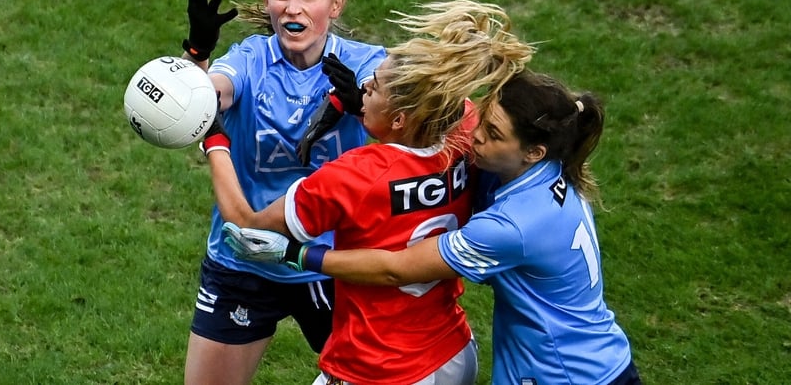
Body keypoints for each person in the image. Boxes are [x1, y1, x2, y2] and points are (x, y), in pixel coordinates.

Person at [234, 70, 643, 384]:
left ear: (532, 152)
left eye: (494, 135)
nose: (474, 138)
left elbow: (399, 268)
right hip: (598, 360)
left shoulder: (513, 225)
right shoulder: (556, 166)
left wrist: (299, 254)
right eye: (483, 120)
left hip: (561, 374)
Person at [201, 0, 535, 384]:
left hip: (378, 366)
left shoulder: (353, 177)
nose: (363, 92)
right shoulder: (462, 134)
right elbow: (439, 102)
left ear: (398, 118)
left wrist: (215, 139)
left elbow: (249, 226)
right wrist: (360, 103)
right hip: (452, 353)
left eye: (372, 89)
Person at [178, 0, 387, 385]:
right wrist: (196, 56)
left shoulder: (367, 63)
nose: (293, 8)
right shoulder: (250, 59)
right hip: (244, 263)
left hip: (333, 264)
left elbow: (411, 125)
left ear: (336, 3)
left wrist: (365, 106)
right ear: (267, 0)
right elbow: (200, 100)